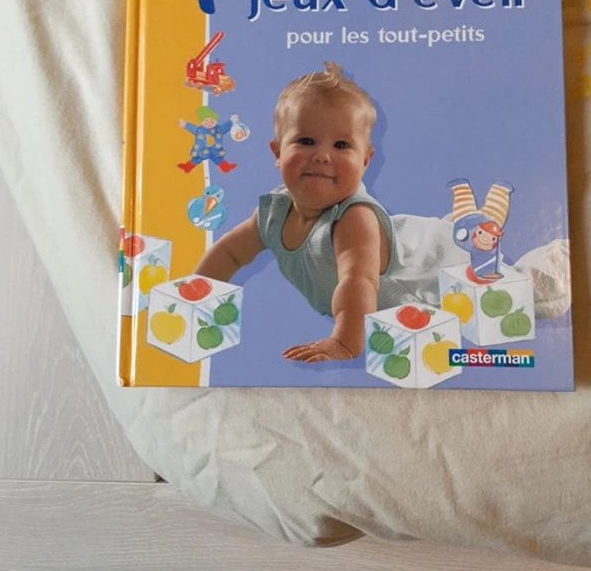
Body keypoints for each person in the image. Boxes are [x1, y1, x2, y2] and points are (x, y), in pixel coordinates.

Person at [195, 62, 458, 362]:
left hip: (429, 267)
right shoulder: (273, 212)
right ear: (277, 152)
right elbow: (229, 253)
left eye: (341, 145)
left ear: (365, 161)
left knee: (481, 267)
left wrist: (345, 342)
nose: (322, 155)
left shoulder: (353, 218)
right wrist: (197, 293)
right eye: (306, 141)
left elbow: (359, 281)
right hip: (403, 264)